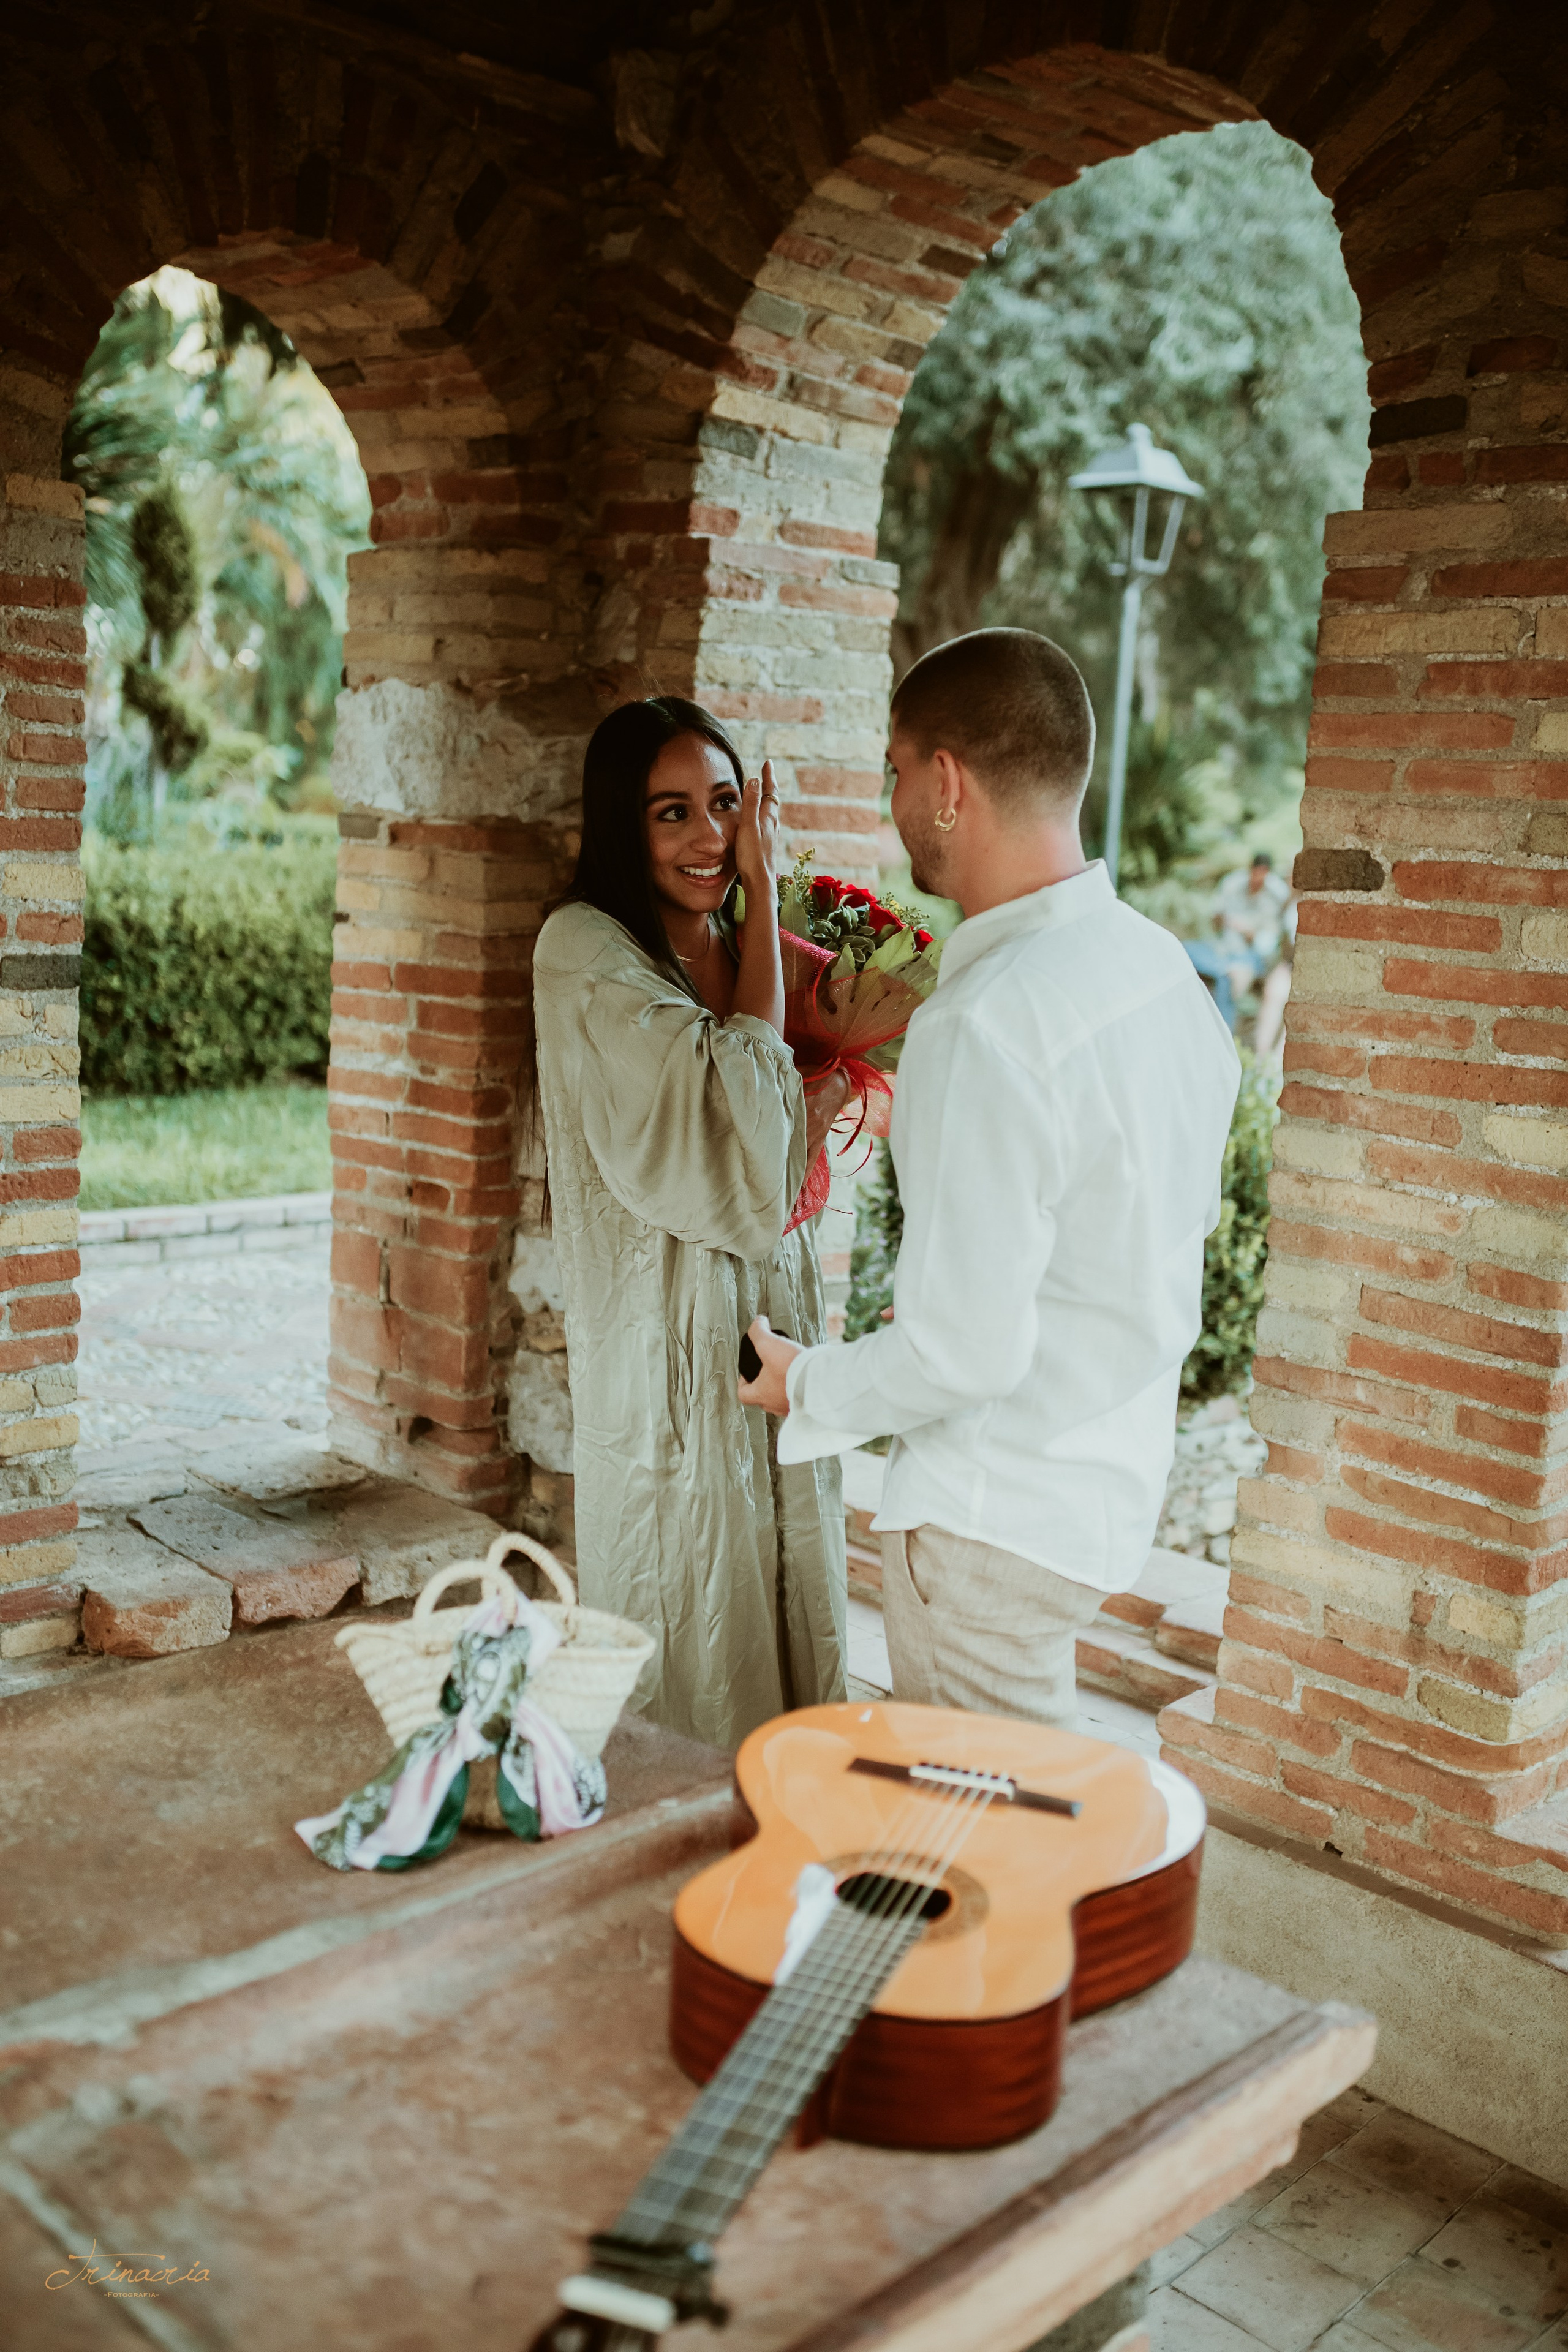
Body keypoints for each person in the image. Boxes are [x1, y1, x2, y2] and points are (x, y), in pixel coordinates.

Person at [739, 630, 1239, 1728]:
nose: (892, 801)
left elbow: (963, 1350)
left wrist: (802, 1385)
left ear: (948, 782)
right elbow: (1145, 1221)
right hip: (1097, 1495)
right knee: (1020, 1833)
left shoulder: (989, 1019)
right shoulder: (1164, 976)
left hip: (989, 1520)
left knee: (981, 1851)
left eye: (898, 770)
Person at [530, 696, 849, 1751]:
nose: (712, 837)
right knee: (691, 1580)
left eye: (725, 805)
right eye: (673, 814)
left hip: (772, 1293)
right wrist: (762, 901)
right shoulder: (585, 951)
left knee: (786, 1558)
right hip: (659, 1329)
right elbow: (736, 1100)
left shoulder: (739, 946)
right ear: (623, 824)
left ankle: (791, 1833)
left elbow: (771, 1129)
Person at [1186, 850, 1294, 1031]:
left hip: (1253, 955)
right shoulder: (1232, 884)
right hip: (1223, 948)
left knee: (1230, 980)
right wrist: (1223, 920)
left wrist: (1250, 933)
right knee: (1184, 950)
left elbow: (1268, 944)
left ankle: (1223, 1030)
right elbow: (1215, 922)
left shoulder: (1277, 894)